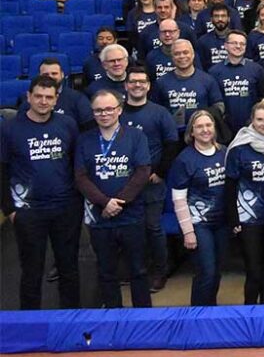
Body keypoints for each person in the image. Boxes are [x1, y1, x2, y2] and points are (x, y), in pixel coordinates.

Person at [1, 76, 82, 310]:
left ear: (56, 99)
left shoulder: (67, 124)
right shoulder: (9, 128)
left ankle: (71, 319)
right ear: (29, 97)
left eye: (49, 97)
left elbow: (76, 164)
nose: (43, 101)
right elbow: (2, 170)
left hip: (66, 208)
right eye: (38, 96)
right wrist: (10, 210)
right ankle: (30, 323)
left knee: (69, 267)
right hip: (28, 211)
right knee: (31, 270)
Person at [74, 90, 152, 308]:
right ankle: (113, 319)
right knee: (106, 272)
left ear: (119, 110)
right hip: (100, 219)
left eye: (109, 109)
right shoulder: (84, 140)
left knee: (138, 270)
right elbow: (80, 177)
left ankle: (144, 318)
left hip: (131, 216)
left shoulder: (136, 136)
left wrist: (118, 202)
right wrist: (104, 203)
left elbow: (142, 171)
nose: (104, 114)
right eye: (98, 110)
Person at [120, 67, 179, 292]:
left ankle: (159, 271)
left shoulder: (160, 112)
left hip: (152, 183)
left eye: (142, 81)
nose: (137, 85)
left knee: (153, 228)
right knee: (128, 229)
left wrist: (160, 172)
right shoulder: (117, 113)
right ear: (126, 85)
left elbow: (171, 144)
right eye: (132, 81)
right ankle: (134, 269)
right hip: (123, 183)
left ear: (148, 85)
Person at [224, 100, 264, 305]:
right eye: (260, 119)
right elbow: (230, 186)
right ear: (252, 120)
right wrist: (233, 221)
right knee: (254, 270)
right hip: (248, 220)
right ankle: (249, 311)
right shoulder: (239, 148)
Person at [168, 110, 228, 306]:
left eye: (208, 125)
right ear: (191, 131)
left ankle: (211, 311)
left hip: (222, 223)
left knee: (217, 272)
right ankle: (197, 317)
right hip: (198, 225)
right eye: (200, 126)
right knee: (206, 272)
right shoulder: (184, 159)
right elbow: (178, 199)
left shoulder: (224, 152)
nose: (205, 130)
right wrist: (188, 232)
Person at [153, 39, 225, 135]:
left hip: (201, 135)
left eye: (185, 52)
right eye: (177, 53)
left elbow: (219, 106)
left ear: (193, 55)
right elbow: (155, 111)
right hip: (172, 135)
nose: (182, 56)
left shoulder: (208, 80)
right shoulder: (161, 82)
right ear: (172, 56)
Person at [209, 30, 264, 137]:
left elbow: (261, 98)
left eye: (242, 44)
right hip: (224, 128)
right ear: (225, 46)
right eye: (234, 43)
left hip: (252, 128)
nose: (238, 46)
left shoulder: (256, 69)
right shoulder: (214, 71)